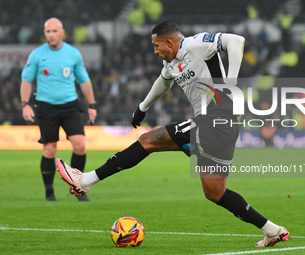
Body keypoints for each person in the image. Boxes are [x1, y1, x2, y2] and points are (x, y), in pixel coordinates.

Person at [56, 21, 289, 247]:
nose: (155, 51)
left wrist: (231, 83)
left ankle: (85, 181)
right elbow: (163, 82)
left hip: (217, 117)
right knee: (215, 192)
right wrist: (142, 108)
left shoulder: (196, 44)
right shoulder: (171, 63)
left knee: (147, 140)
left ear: (169, 42)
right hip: (218, 125)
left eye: (156, 46)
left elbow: (236, 41)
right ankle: (272, 230)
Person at [20, 17, 97, 201]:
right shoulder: (37, 54)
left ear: (62, 33)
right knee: (50, 149)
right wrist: (25, 104)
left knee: (80, 145)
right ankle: (49, 192)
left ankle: (77, 188)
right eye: (48, 31)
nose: (51, 35)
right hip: (46, 106)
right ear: (44, 33)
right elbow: (26, 80)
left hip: (70, 105)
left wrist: (92, 105)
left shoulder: (73, 54)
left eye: (55, 31)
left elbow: (84, 80)